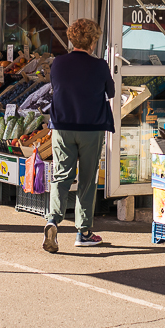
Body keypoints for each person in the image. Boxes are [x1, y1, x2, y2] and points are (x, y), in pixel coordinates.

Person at [42, 18, 114, 253]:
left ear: (71, 39)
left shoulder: (59, 64)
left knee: (61, 176)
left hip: (62, 127)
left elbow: (57, 86)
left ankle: (53, 220)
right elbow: (110, 92)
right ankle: (83, 232)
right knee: (87, 180)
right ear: (93, 41)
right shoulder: (100, 66)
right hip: (91, 128)